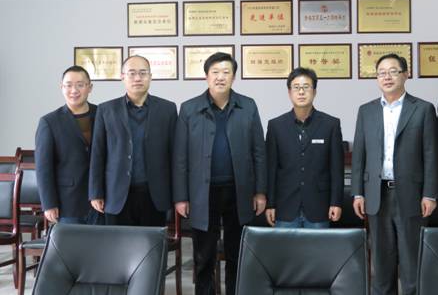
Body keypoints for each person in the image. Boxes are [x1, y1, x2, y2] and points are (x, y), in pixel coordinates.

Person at [172, 52, 266, 295]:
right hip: (202, 193)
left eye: (226, 72)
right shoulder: (190, 109)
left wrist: (260, 192)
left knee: (237, 254)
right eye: (215, 72)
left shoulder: (248, 106)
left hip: (239, 191)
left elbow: (259, 152)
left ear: (233, 77)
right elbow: (180, 157)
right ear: (206, 76)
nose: (220, 77)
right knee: (204, 256)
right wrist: (181, 197)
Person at [351, 53, 438, 295]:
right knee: (380, 264)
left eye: (393, 71)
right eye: (381, 72)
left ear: (405, 74)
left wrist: (430, 194)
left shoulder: (422, 109)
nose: (387, 77)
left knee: (411, 263)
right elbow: (359, 155)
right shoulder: (366, 111)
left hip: (411, 196)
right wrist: (358, 193)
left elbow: (431, 155)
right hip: (376, 194)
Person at [89, 55, 177, 226]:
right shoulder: (106, 110)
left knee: (151, 242)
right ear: (123, 77)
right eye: (132, 73)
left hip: (155, 195)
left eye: (143, 73)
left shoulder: (167, 109)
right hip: (116, 195)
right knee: (118, 243)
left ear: (150, 77)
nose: (138, 78)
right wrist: (95, 193)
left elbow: (175, 154)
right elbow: (98, 154)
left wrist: (178, 195)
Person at [265, 67, 343, 228]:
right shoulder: (276, 126)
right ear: (289, 92)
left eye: (306, 87)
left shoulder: (331, 125)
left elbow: (336, 168)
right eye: (296, 87)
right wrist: (270, 204)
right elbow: (271, 169)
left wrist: (336, 202)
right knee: (284, 246)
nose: (301, 92)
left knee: (318, 246)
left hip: (319, 206)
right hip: (285, 206)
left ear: (314, 92)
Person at [35, 65, 97, 224]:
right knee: (71, 241)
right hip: (68, 202)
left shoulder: (103, 114)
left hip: (101, 200)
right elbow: (43, 168)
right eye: (68, 85)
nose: (74, 90)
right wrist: (49, 204)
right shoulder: (49, 122)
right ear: (61, 87)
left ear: (90, 87)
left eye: (80, 85)